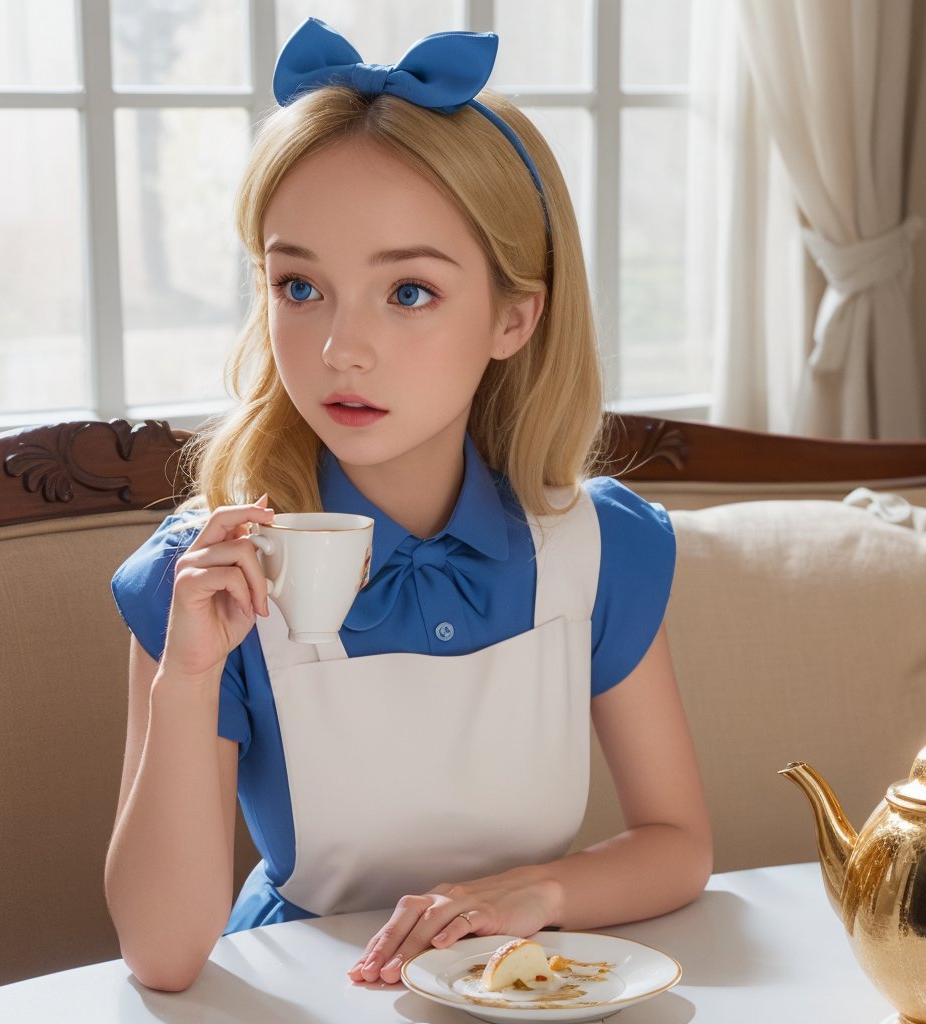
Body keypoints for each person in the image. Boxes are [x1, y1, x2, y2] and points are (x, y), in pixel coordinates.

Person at [103, 17, 712, 992]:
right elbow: (162, 953)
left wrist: (537, 892)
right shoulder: (205, 574)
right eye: (299, 284)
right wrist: (187, 678)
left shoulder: (599, 548)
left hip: (521, 991)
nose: (343, 346)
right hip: (303, 995)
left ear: (515, 316)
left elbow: (677, 843)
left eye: (410, 292)